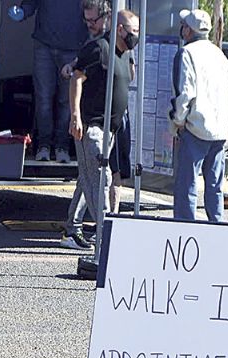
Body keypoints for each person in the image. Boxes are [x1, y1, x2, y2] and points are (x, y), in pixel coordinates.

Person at [60, 0, 130, 250]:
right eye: (87, 21)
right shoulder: (96, 46)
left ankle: (73, 228)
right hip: (93, 124)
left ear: (108, 17)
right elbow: (76, 76)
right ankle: (105, 235)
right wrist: (75, 116)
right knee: (100, 177)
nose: (90, 25)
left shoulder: (118, 48)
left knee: (88, 178)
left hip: (111, 126)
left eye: (94, 20)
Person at [168, 8, 228, 222]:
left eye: (184, 25)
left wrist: (178, 121)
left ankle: (186, 228)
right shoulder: (219, 54)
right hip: (219, 129)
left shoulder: (186, 53)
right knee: (214, 184)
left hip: (196, 127)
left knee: (188, 184)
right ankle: (217, 223)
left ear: (188, 30)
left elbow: (185, 92)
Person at [11, 1, 88, 163]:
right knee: (44, 98)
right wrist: (23, 12)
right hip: (44, 45)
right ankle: (43, 145)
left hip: (73, 47)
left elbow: (93, 7)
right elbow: (31, 3)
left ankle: (62, 146)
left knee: (66, 101)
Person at [108, 9, 139, 214]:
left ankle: (114, 212)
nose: (136, 35)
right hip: (105, 120)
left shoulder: (128, 53)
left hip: (122, 118)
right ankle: (109, 215)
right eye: (133, 30)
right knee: (106, 171)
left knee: (119, 169)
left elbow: (132, 76)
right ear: (120, 30)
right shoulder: (104, 49)